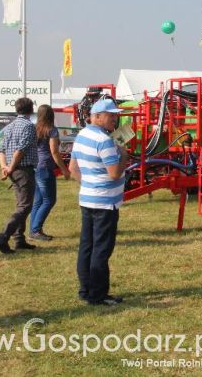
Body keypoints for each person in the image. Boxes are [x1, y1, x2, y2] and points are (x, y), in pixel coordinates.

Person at [69, 99, 128, 305]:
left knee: (87, 246)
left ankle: (85, 289)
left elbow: (73, 169)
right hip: (105, 203)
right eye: (110, 115)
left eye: (115, 114)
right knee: (101, 249)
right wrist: (124, 155)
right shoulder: (104, 141)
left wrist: (89, 184)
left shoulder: (82, 135)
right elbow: (114, 173)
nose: (115, 118)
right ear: (96, 117)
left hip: (88, 199)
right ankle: (98, 294)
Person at [0, 98, 38, 254]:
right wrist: (10, 167)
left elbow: (1, 149)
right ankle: (3, 237)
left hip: (13, 170)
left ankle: (19, 240)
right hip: (23, 169)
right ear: (31, 110)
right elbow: (21, 149)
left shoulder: (9, 127)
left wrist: (5, 167)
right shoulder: (29, 126)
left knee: (20, 205)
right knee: (25, 206)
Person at [29, 105, 71, 241]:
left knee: (38, 201)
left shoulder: (34, 129)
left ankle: (33, 230)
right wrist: (64, 170)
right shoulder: (51, 130)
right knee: (49, 200)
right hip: (46, 167)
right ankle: (36, 230)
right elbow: (54, 151)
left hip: (36, 166)